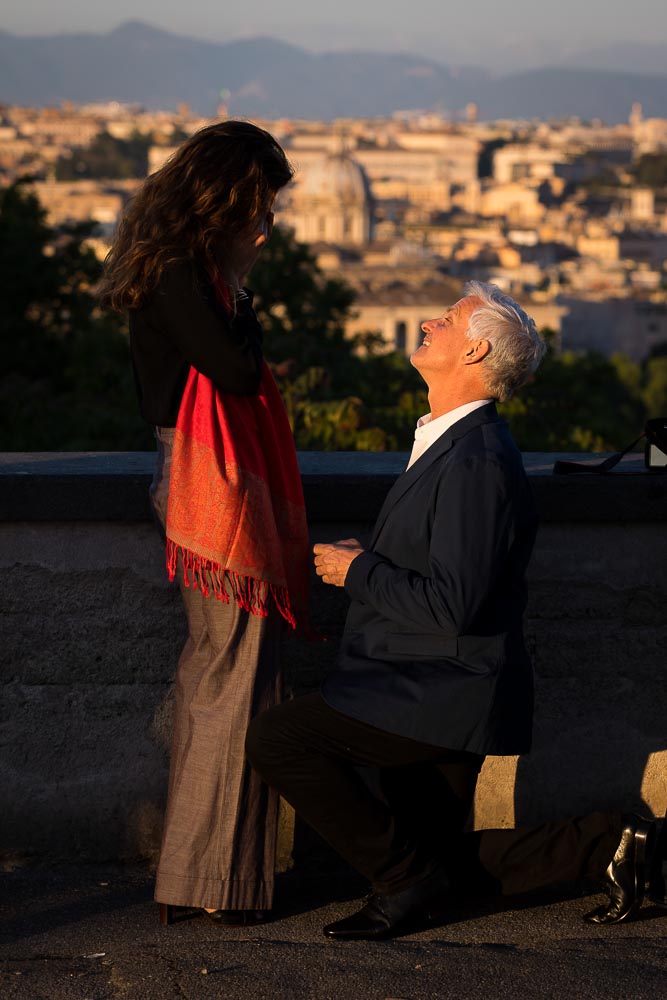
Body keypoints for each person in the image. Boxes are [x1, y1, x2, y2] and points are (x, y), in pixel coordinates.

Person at [245, 282, 667, 939]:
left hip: (437, 689)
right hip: (430, 680)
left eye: (444, 321)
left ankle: (404, 882)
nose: (425, 322)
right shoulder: (453, 442)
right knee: (444, 861)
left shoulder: (474, 461)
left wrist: (357, 570)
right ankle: (617, 844)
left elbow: (452, 605)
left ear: (473, 350)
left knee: (279, 738)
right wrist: (375, 557)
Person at [99, 121, 309, 927]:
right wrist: (245, 291)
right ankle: (212, 881)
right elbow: (235, 368)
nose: (269, 223)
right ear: (227, 197)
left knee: (217, 674)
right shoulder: (190, 275)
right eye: (262, 204)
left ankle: (199, 875)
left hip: (196, 474)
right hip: (205, 481)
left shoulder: (177, 268)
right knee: (234, 677)